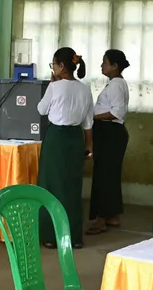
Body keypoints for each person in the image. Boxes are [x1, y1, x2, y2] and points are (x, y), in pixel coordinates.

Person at [36, 47, 94, 249]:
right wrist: (89, 145)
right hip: (75, 139)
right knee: (72, 187)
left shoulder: (55, 87)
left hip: (56, 139)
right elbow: (88, 122)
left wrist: (52, 85)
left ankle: (52, 236)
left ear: (61, 67)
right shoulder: (85, 89)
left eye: (53, 64)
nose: (53, 68)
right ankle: (74, 237)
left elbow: (41, 109)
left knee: (51, 186)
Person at [87, 50, 130, 235]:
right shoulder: (114, 84)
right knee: (110, 175)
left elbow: (116, 113)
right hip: (108, 132)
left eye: (105, 62)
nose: (101, 66)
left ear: (114, 66)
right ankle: (112, 215)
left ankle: (101, 220)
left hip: (110, 133)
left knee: (104, 176)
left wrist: (93, 116)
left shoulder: (116, 85)